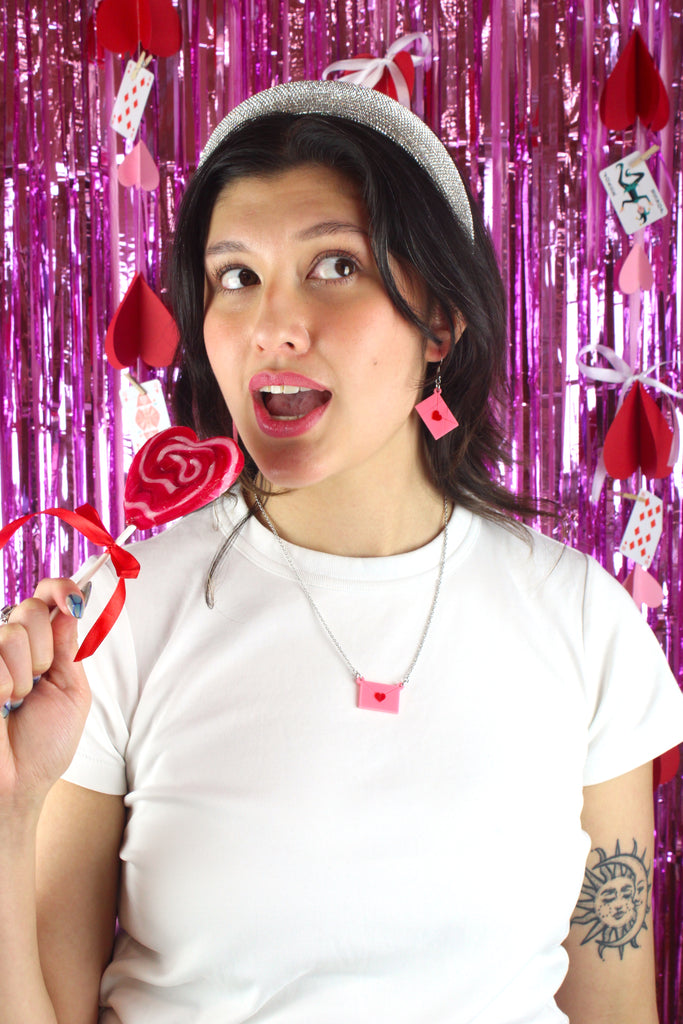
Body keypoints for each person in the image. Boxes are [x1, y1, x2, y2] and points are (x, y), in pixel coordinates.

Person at [1, 79, 683, 1024]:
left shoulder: (582, 620)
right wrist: (6, 811)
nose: (274, 326)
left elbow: (617, 1006)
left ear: (440, 321)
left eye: (334, 267)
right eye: (235, 277)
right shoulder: (113, 618)